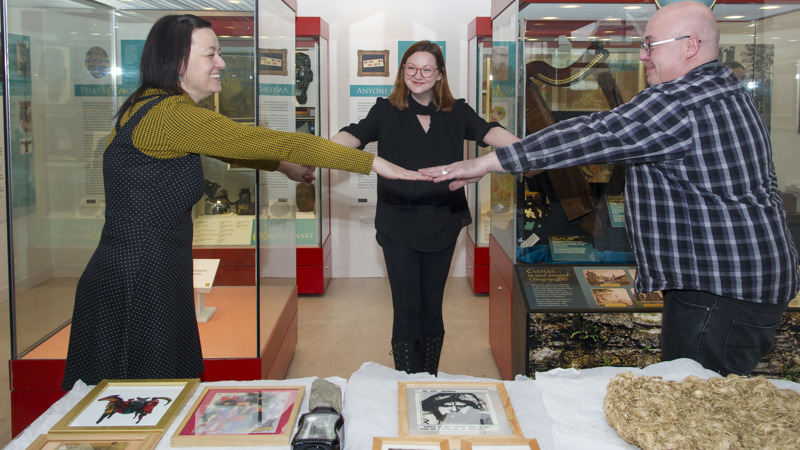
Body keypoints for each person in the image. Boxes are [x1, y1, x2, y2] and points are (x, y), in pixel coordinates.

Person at [420, 1, 799, 376]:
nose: (643, 55)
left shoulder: (683, 101)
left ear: (690, 46)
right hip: (743, 278)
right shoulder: (726, 89)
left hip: (720, 289)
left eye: (651, 45)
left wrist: (488, 162)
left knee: (695, 397)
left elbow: (596, 133)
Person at [62, 14, 427, 390]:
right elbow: (270, 141)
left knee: (149, 395)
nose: (221, 63)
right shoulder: (170, 114)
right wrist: (371, 162)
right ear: (177, 61)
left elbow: (230, 149)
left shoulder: (154, 106)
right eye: (211, 54)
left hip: (146, 266)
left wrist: (281, 166)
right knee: (140, 396)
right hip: (139, 276)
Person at [331, 40, 519, 375]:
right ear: (403, 71)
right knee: (406, 309)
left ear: (439, 74)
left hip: (443, 222)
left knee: (432, 307)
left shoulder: (457, 112)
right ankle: (407, 383)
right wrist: (317, 151)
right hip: (398, 223)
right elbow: (354, 135)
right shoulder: (385, 111)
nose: (418, 75)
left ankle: (428, 380)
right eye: (411, 68)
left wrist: (529, 150)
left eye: (427, 69)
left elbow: (489, 131)